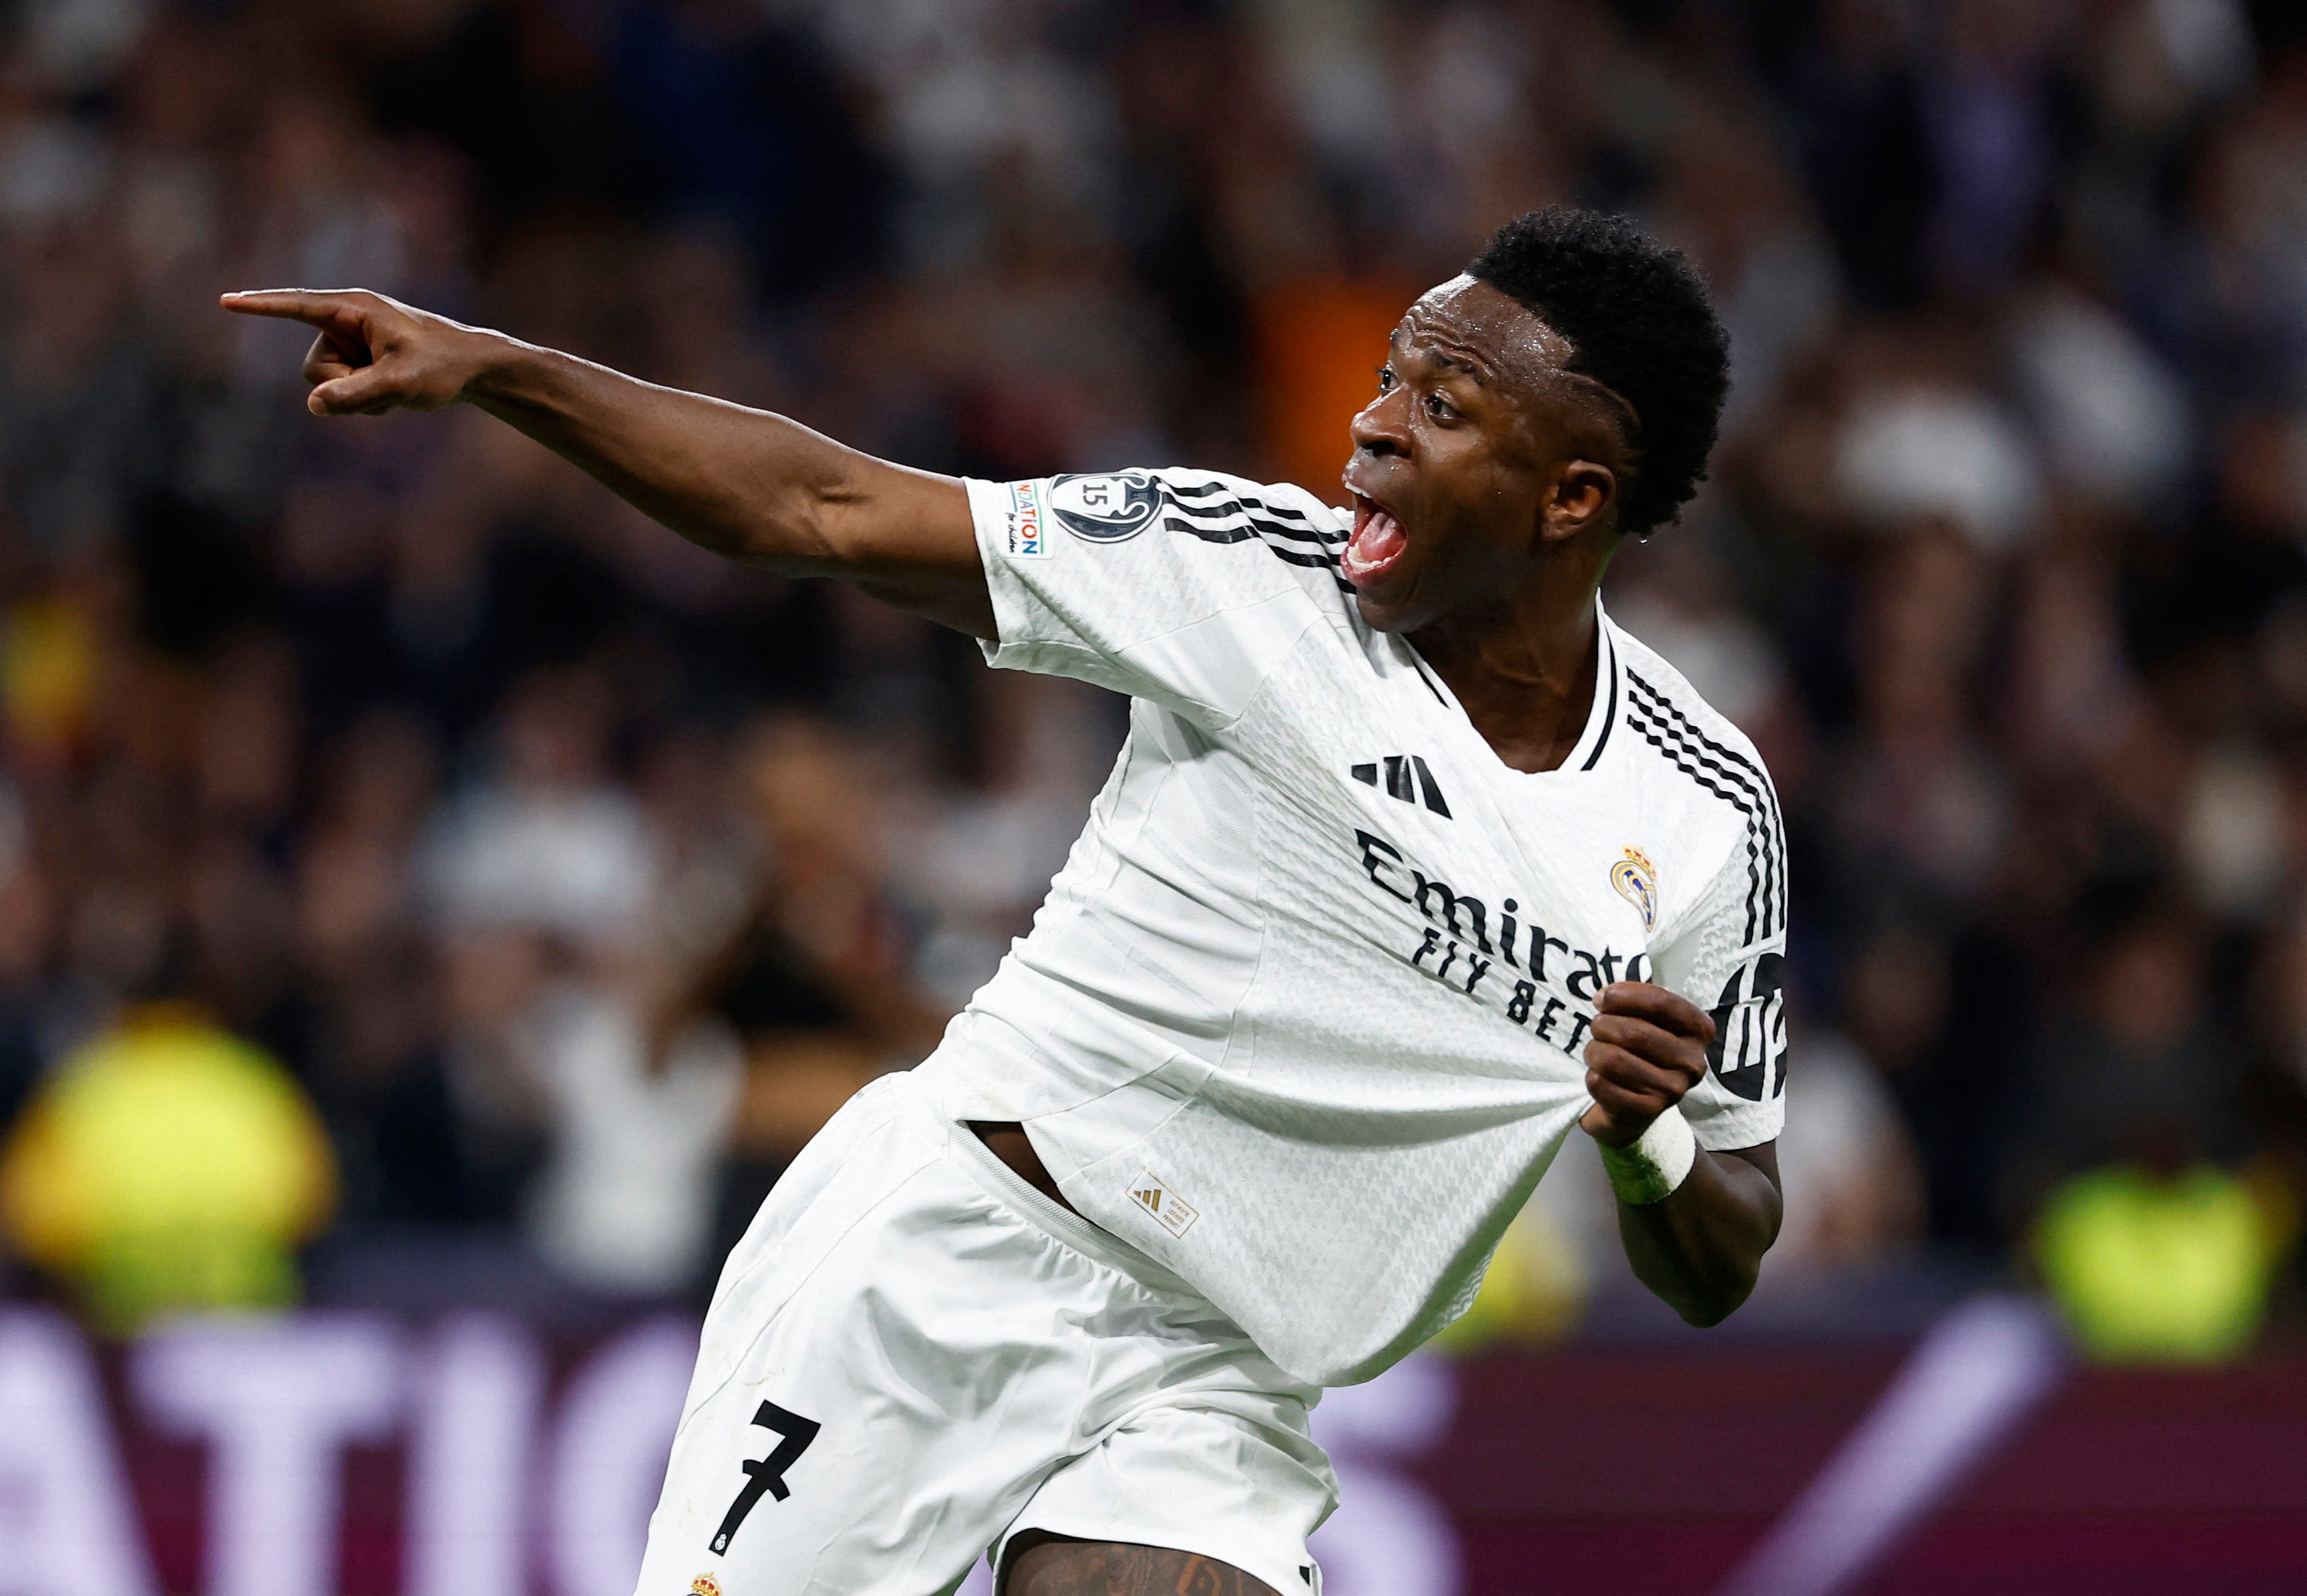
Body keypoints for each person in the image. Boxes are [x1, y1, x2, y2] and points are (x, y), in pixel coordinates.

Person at [226, 205, 1788, 1596]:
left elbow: (1725, 1245)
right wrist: (502, 372)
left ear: (1569, 496)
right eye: (1389, 378)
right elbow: (823, 508)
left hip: (1217, 1379)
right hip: (948, 1257)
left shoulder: (1705, 815)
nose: (1369, 425)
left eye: (1439, 409)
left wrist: (1646, 1140)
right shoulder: (1243, 571)